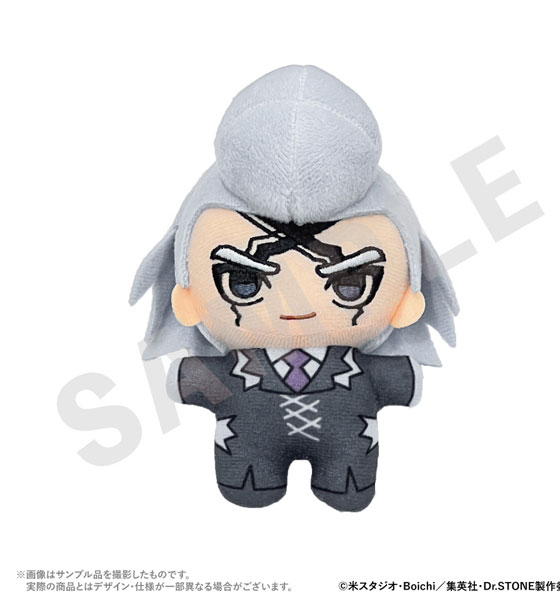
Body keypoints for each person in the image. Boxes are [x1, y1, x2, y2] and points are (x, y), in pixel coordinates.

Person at [130, 65, 458, 511]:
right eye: (244, 282)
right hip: (247, 455)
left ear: (405, 298)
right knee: (249, 483)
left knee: (346, 482)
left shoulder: (344, 371)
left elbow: (402, 382)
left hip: (346, 455)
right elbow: (187, 382)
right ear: (187, 296)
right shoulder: (247, 372)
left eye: (349, 283)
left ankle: (337, 483)